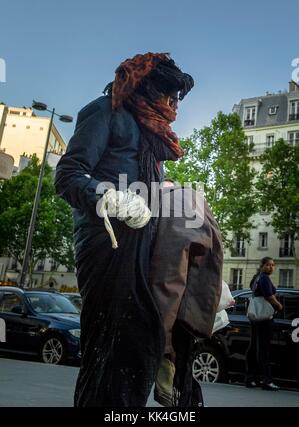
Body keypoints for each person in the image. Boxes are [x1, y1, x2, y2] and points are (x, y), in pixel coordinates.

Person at [54, 52, 194, 407]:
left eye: (175, 98)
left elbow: (145, 191)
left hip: (145, 246)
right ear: (147, 89)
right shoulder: (105, 111)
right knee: (109, 349)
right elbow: (68, 174)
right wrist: (108, 196)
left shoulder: (152, 135)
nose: (171, 105)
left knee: (138, 347)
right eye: (166, 95)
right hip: (107, 245)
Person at [150, 180, 223, 406]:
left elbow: (168, 277)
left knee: (175, 375)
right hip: (191, 306)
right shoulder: (196, 201)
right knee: (184, 379)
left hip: (175, 309)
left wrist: (163, 347)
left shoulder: (173, 205)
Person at [245, 256, 283, 390]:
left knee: (254, 347)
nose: (271, 267)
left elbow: (253, 290)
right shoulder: (265, 278)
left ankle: (250, 378)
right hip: (264, 318)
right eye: (268, 265)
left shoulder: (256, 278)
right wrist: (279, 306)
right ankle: (267, 380)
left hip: (255, 316)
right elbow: (269, 296)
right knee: (264, 349)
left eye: (273, 265)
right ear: (262, 266)